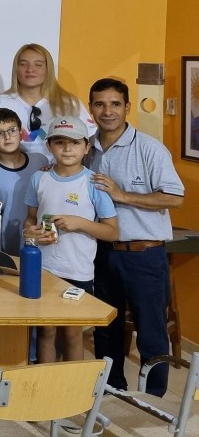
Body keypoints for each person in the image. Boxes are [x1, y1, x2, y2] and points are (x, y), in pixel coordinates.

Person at [87, 78, 185, 395]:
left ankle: (152, 400)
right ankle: (111, 391)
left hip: (144, 255)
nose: (108, 111)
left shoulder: (150, 148)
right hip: (103, 252)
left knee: (152, 332)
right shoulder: (87, 147)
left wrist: (122, 195)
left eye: (115, 104)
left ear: (127, 107)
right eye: (100, 104)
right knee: (106, 329)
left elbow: (174, 197)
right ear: (91, 108)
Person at [25, 116, 118, 364]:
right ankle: (45, 386)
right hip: (43, 269)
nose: (67, 149)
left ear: (87, 147)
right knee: (45, 329)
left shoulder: (93, 183)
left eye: (75, 143)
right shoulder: (39, 178)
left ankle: (72, 394)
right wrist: (32, 232)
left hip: (78, 270)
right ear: (49, 146)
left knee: (73, 332)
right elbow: (30, 219)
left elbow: (112, 231)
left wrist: (81, 224)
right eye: (60, 142)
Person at [0, 43, 94, 159]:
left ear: (48, 69)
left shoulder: (70, 103)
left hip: (57, 174)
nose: (30, 70)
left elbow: (90, 140)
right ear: (16, 69)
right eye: (23, 64)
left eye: (38, 65)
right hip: (13, 172)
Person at [0, 107, 47, 254]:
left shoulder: (40, 161)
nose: (7, 137)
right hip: (1, 247)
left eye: (12, 130)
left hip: (37, 245)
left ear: (20, 132)